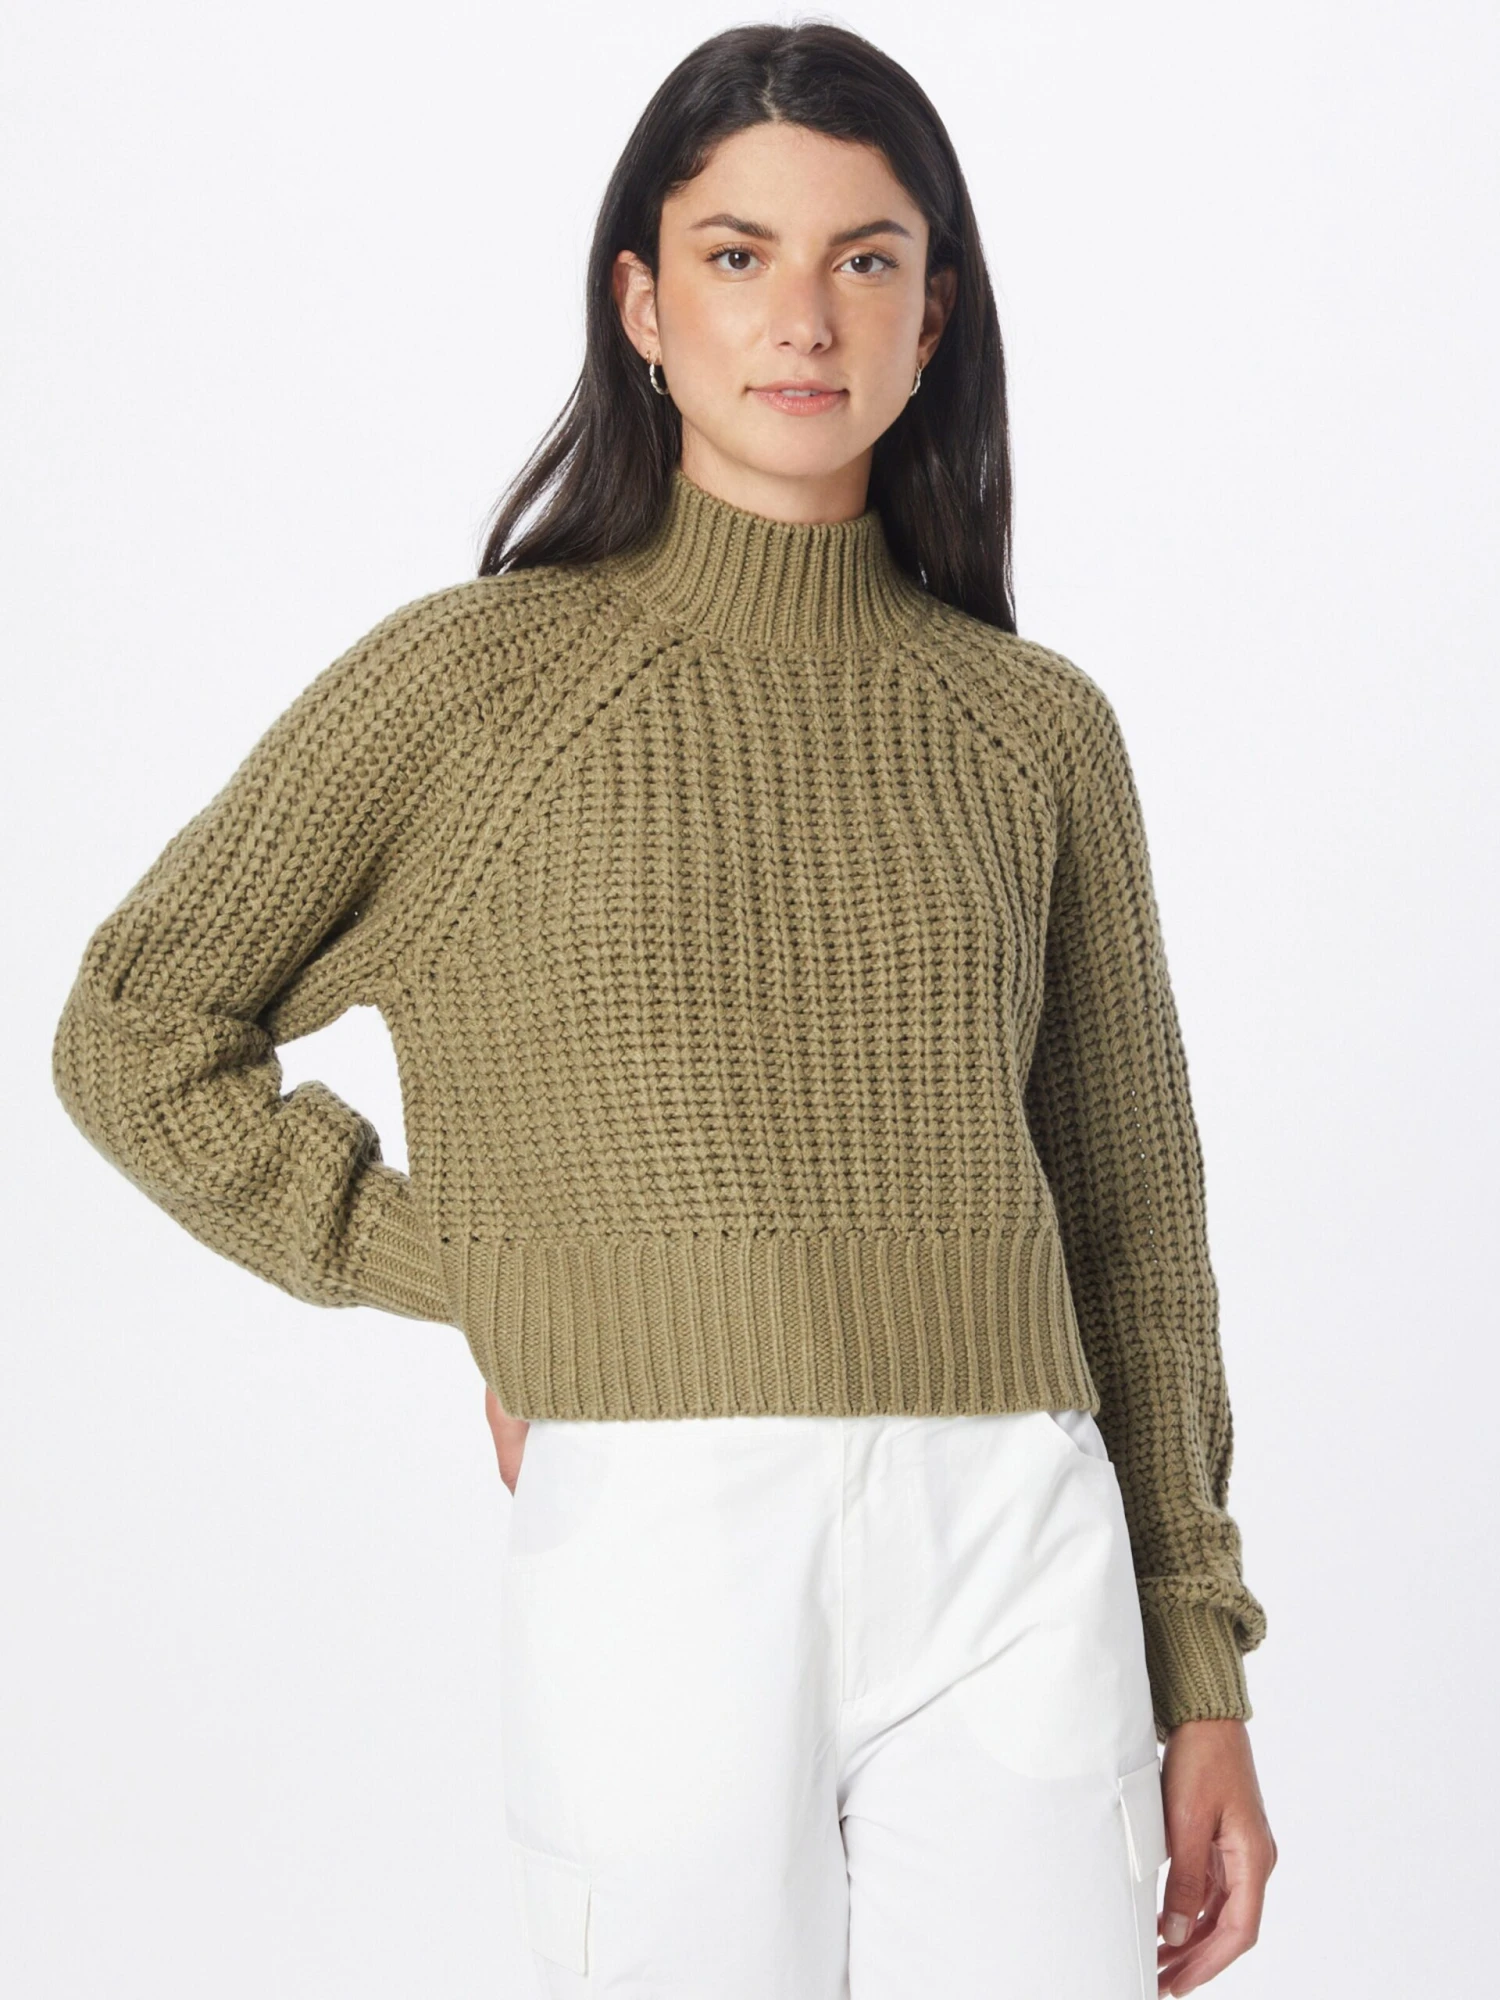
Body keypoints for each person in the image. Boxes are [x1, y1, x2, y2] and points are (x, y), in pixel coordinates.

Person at [51, 21, 1274, 1999]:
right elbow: (138, 1023)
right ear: (640, 301)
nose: (803, 314)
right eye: (736, 253)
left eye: (865, 258)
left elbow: (1131, 1222)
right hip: (661, 1537)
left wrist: (1200, 1666)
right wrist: (497, 1261)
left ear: (934, 313)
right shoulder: (476, 688)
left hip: (1018, 1541)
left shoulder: (1034, 728)